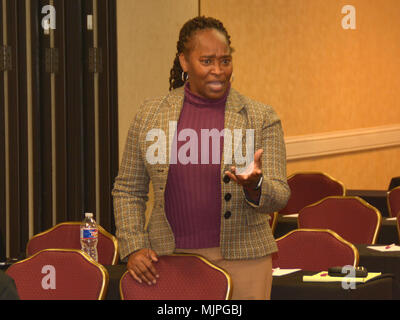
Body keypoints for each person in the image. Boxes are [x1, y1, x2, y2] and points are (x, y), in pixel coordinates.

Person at [112, 16, 290, 300]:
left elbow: (280, 195)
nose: (218, 71)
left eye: (225, 61)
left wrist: (255, 186)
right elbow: (128, 190)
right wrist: (133, 245)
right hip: (167, 261)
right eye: (206, 61)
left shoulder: (259, 117)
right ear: (184, 62)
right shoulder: (151, 115)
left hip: (244, 262)